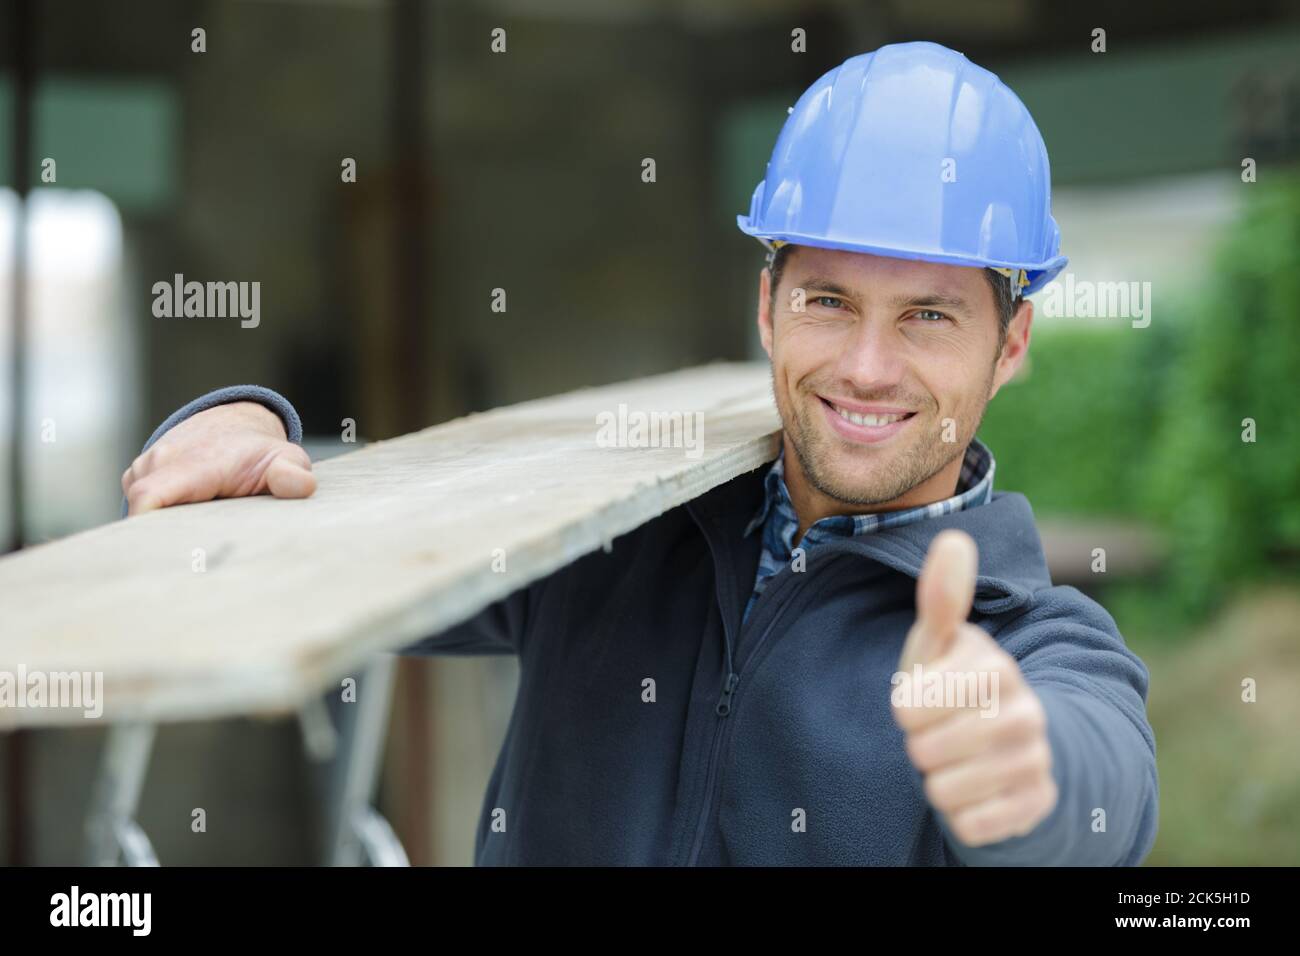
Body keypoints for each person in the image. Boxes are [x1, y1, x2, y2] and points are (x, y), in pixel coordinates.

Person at [120, 41, 1158, 865]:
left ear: (1009, 344)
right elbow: (343, 541)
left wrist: (1024, 776)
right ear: (765, 305)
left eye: (927, 317)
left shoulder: (1035, 645)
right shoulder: (616, 526)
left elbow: (1096, 794)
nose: (866, 366)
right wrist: (243, 433)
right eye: (827, 301)